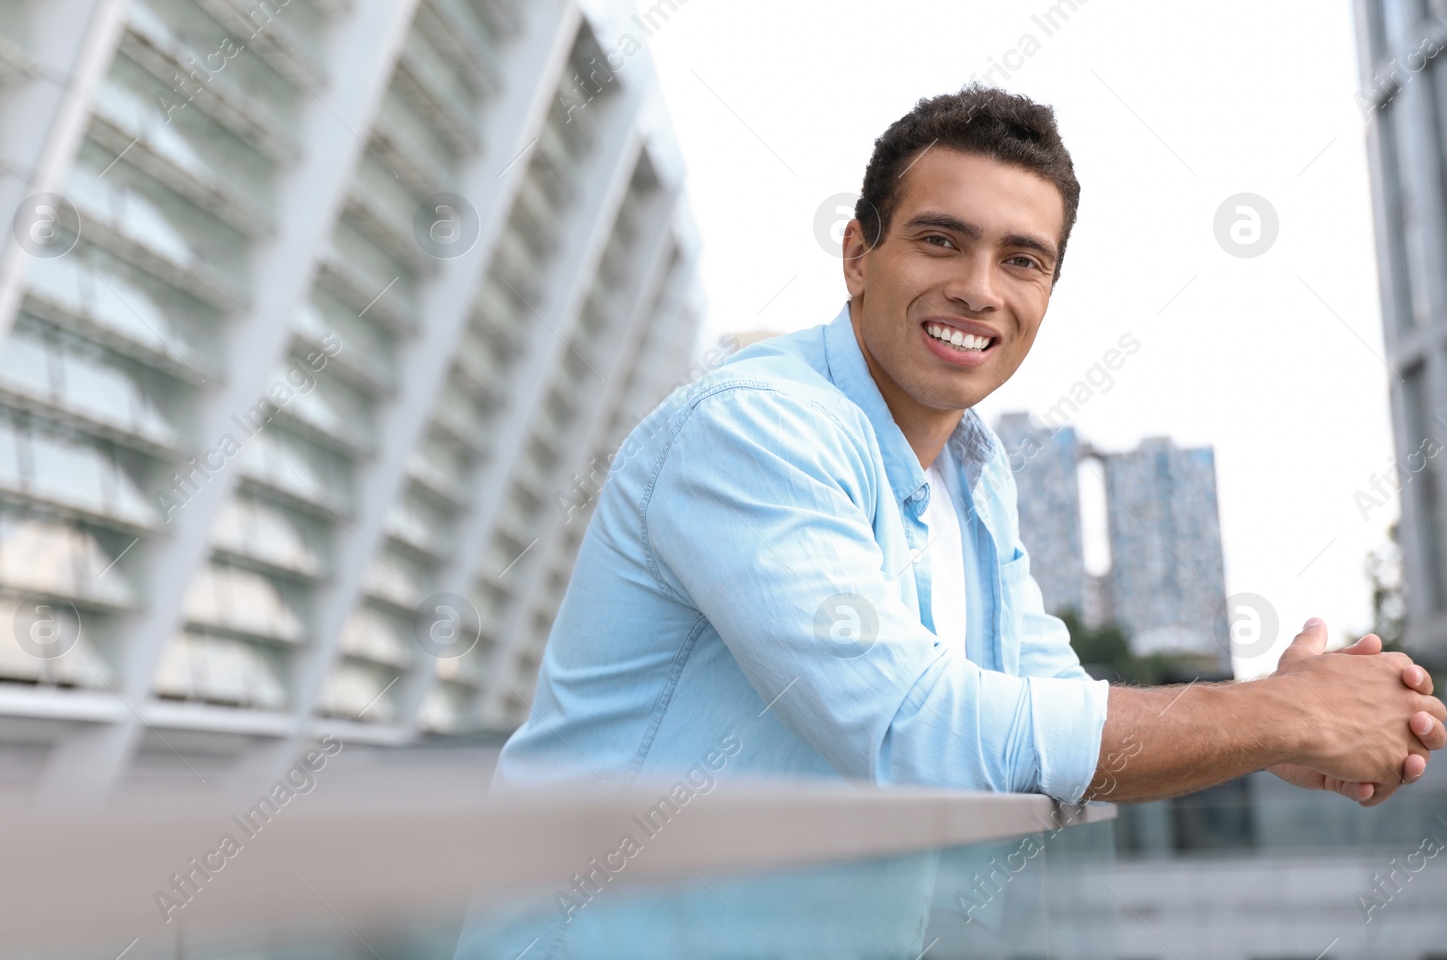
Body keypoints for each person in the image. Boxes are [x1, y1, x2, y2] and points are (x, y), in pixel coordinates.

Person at [455, 85, 1446, 957]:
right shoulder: (755, 428)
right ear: (856, 252)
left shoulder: (974, 466)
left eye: (1022, 259)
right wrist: (1276, 714)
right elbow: (911, 724)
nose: (978, 287)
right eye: (940, 239)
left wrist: (1264, 730)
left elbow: (1040, 696)